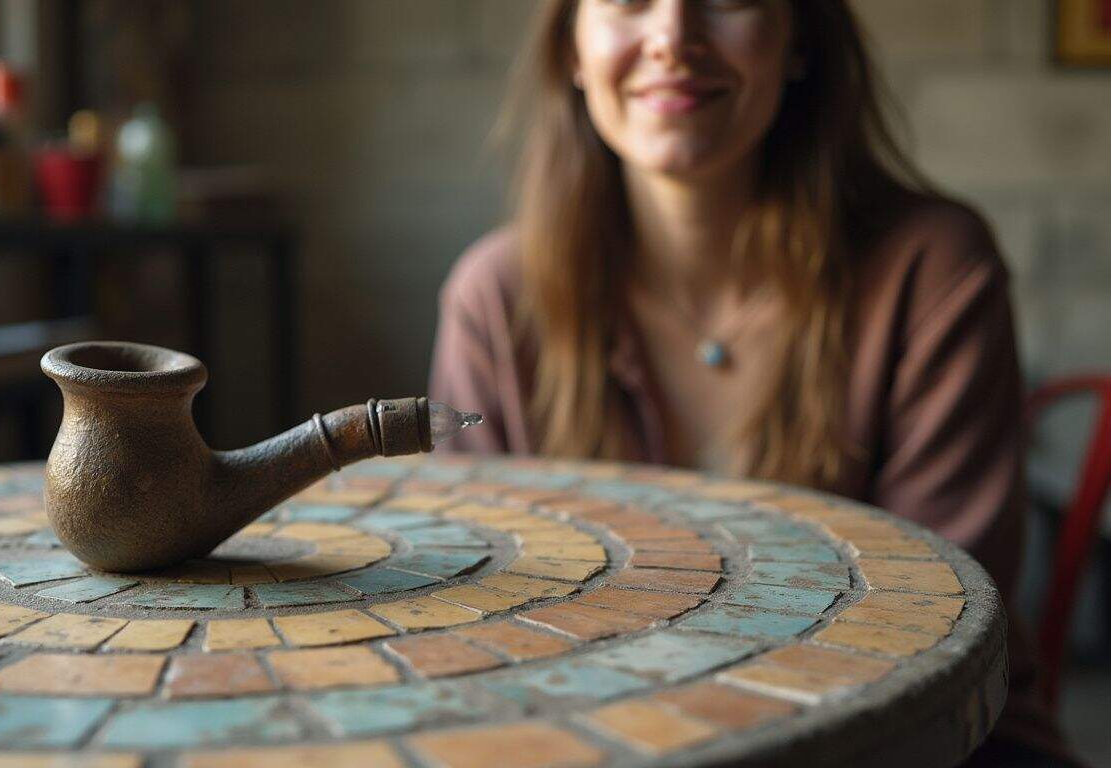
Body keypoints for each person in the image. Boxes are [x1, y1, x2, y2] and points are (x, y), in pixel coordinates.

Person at [428, 1, 1079, 765]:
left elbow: (932, 636)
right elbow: (484, 627)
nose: (673, 36)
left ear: (797, 38)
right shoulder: (496, 299)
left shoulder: (934, 270)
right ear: (571, 50)